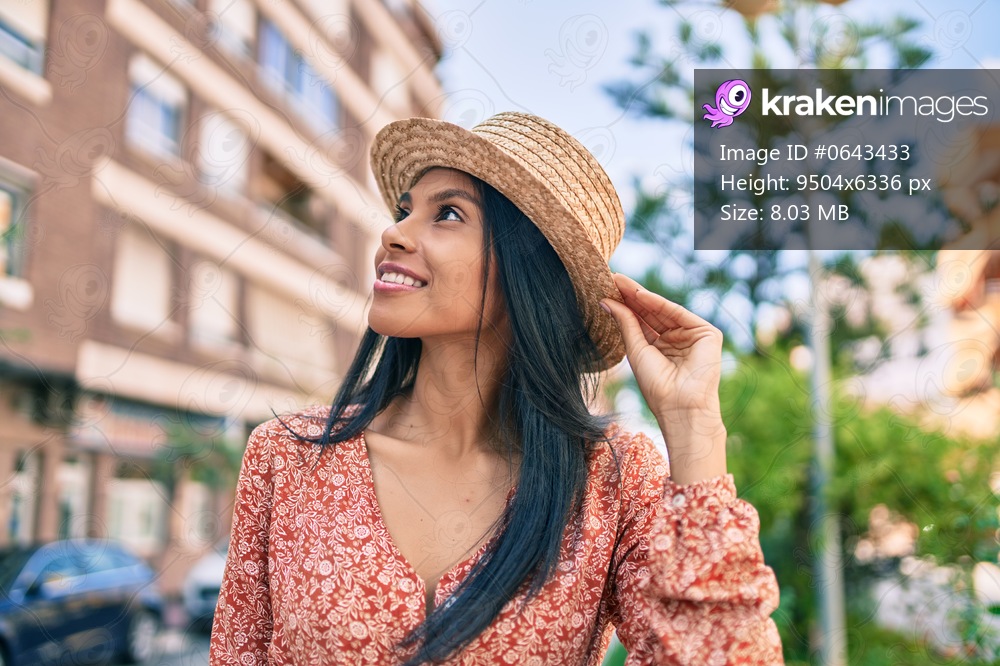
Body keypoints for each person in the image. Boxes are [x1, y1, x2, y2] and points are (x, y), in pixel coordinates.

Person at [208, 112, 784, 665]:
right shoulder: (289, 457)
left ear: (525, 271)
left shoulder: (612, 482)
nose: (393, 232)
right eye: (407, 210)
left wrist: (693, 425)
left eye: (449, 214)